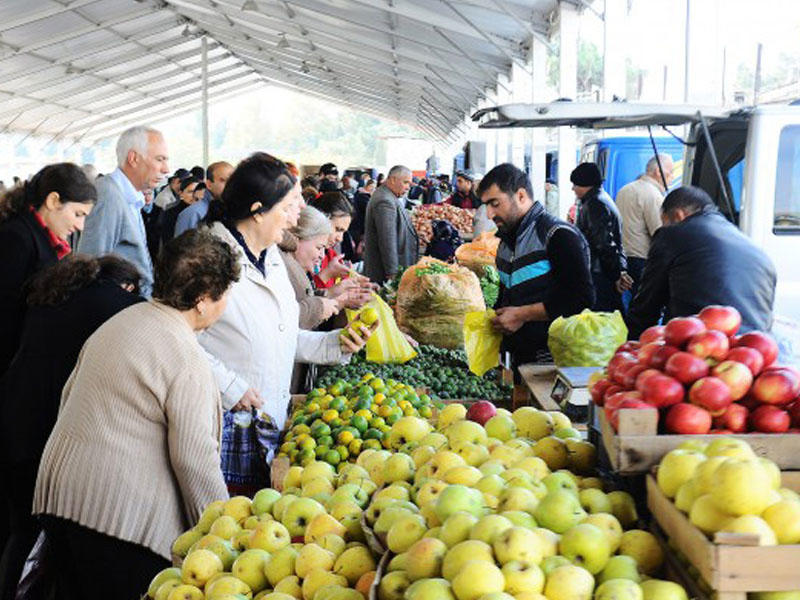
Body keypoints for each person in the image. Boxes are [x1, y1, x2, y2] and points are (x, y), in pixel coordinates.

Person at [32, 230, 238, 599]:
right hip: (115, 518)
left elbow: (70, 395)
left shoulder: (123, 320)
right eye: (226, 293)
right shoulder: (185, 355)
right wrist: (222, 532)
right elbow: (194, 459)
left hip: (61, 496)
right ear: (204, 300)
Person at [199, 153, 374, 491]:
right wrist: (229, 386)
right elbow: (175, 341)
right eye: (290, 205)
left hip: (266, 423)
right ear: (258, 210)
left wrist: (336, 343)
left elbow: (281, 335)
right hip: (224, 426)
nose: (298, 215)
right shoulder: (208, 258)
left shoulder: (271, 258)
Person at [0, 255, 142, 600]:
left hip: (14, 421)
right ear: (126, 286)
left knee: (21, 532)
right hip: (48, 434)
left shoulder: (54, 295)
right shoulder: (117, 304)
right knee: (49, 540)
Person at [478, 163, 594, 366]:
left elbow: (580, 298)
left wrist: (522, 315)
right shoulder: (505, 243)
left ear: (521, 196)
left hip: (553, 359)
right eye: (486, 205)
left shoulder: (558, 235)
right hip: (519, 356)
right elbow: (508, 293)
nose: (489, 214)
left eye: (495, 204)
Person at [627, 186, 776, 338]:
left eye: (664, 222)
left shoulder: (672, 235)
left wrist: (631, 345)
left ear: (678, 215)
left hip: (696, 343)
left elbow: (646, 307)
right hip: (755, 347)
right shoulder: (758, 253)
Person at [0, 163, 97, 376]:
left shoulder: (43, 239)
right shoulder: (16, 238)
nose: (80, 226)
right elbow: (7, 315)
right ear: (53, 201)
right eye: (78, 214)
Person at [77, 125, 170, 297]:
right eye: (160, 159)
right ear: (133, 158)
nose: (166, 169)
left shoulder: (128, 196)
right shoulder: (108, 195)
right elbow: (89, 264)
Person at [571, 162, 632, 312]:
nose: (573, 189)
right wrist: (620, 270)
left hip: (600, 273)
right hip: (606, 271)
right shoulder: (602, 198)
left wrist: (615, 275)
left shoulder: (595, 204)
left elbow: (604, 243)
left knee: (601, 315)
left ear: (585, 184)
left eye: (575, 184)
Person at [615, 153, 674, 298]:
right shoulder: (653, 195)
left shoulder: (625, 190)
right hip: (642, 260)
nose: (673, 177)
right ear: (659, 172)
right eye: (671, 172)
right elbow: (660, 233)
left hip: (623, 259)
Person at [363, 165, 417, 283]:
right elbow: (387, 239)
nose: (408, 187)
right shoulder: (385, 201)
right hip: (383, 274)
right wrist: (392, 272)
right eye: (405, 182)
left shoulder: (388, 195)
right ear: (392, 180)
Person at [174, 161, 234, 237]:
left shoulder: (234, 211)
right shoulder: (193, 214)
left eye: (233, 181)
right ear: (209, 184)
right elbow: (181, 244)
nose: (230, 185)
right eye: (223, 180)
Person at [309, 191, 354, 289]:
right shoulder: (303, 254)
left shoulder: (331, 256)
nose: (340, 238)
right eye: (338, 229)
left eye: (343, 232)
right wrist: (326, 275)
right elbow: (303, 294)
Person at [159, 177, 200, 247]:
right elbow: (168, 241)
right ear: (181, 194)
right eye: (190, 192)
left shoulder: (203, 210)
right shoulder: (171, 213)